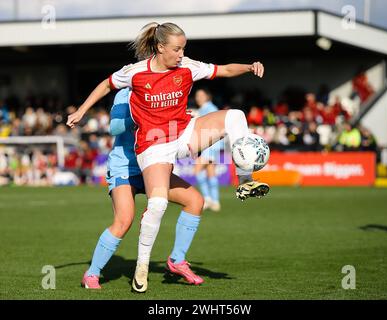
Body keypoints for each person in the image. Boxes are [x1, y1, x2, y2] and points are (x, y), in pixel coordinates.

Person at [67, 22, 270, 293]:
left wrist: (249, 66)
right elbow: (110, 102)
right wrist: (84, 112)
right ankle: (104, 272)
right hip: (138, 158)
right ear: (160, 47)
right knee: (128, 218)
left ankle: (244, 181)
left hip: (179, 135)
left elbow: (223, 70)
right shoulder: (133, 78)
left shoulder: (186, 66)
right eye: (177, 49)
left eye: (183, 48)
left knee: (233, 122)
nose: (181, 54)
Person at [81, 88, 205, 292]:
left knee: (195, 201)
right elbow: (115, 127)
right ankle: (92, 273)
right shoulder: (128, 89)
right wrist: (146, 114)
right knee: (124, 220)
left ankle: (177, 260)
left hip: (153, 165)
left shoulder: (169, 90)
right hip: (125, 168)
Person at [193, 88, 223, 212]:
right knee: (211, 171)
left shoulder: (209, 109)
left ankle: (207, 198)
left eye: (201, 95)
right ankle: (215, 201)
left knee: (197, 169)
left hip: (210, 144)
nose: (198, 98)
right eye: (197, 95)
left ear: (207, 96)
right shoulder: (206, 109)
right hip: (212, 145)